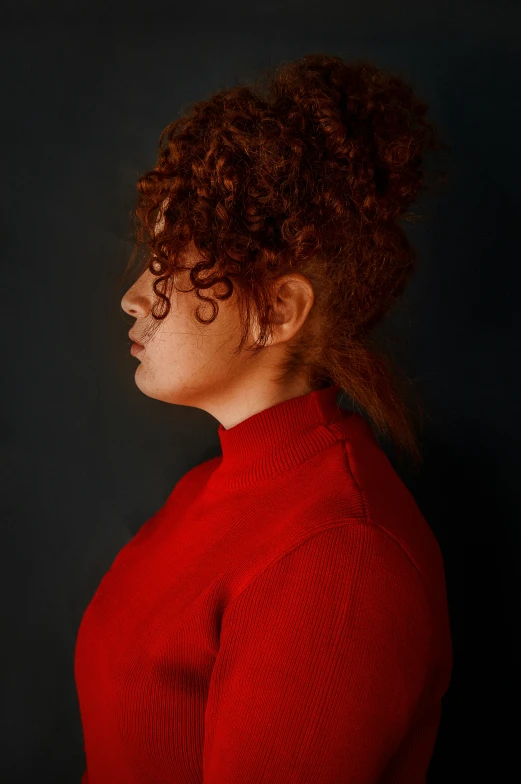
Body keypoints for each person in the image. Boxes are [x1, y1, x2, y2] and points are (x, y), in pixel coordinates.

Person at [75, 52, 452, 783]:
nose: (132, 297)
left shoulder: (339, 557)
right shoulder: (208, 492)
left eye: (168, 267)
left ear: (276, 312)